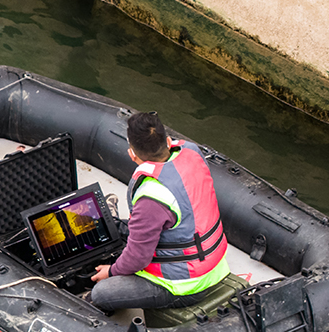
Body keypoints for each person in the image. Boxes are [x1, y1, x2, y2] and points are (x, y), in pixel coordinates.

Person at [89, 111, 232, 311]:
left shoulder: (152, 195)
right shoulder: (192, 152)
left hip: (185, 286)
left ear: (132, 154)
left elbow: (138, 258)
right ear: (167, 140)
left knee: (101, 294)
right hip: (213, 266)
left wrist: (111, 271)